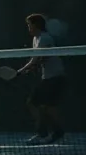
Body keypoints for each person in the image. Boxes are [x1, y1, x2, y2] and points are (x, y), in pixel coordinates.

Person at [17, 13, 66, 144]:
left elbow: (37, 60)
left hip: (55, 77)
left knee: (38, 104)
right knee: (44, 105)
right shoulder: (36, 39)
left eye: (29, 25)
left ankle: (47, 132)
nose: (28, 27)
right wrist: (26, 70)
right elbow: (36, 61)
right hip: (48, 77)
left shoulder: (44, 38)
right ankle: (52, 132)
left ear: (36, 25)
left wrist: (19, 72)